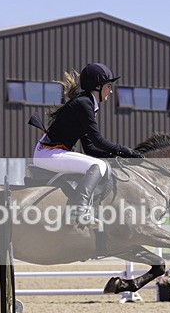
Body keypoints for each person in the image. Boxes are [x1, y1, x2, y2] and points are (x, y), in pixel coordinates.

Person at [32, 63, 143, 226]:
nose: (111, 91)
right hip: (49, 153)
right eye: (109, 86)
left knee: (101, 164)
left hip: (50, 153)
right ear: (98, 87)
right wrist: (126, 151)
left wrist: (115, 157)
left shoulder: (87, 104)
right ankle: (78, 210)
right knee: (99, 167)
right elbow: (98, 140)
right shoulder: (84, 104)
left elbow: (90, 148)